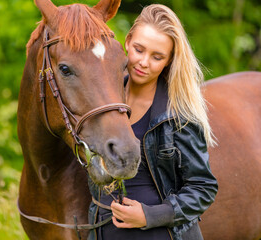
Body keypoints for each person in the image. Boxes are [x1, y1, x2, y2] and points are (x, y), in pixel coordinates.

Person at [88, 4, 218, 240]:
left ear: (169, 61)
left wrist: (150, 215)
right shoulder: (103, 101)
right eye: (139, 49)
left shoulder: (178, 114)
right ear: (127, 41)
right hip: (103, 233)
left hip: (161, 234)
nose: (144, 62)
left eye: (157, 57)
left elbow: (203, 187)